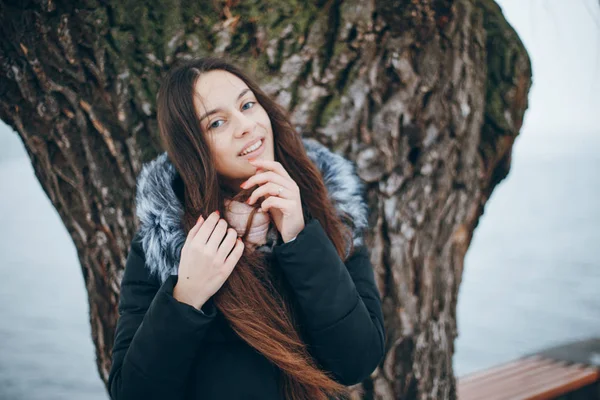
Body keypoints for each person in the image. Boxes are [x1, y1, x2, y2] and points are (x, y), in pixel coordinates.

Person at [107, 57, 385, 400]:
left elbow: (358, 360)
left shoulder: (331, 212)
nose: (245, 125)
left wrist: (300, 237)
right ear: (193, 149)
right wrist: (187, 297)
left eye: (248, 104)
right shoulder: (166, 246)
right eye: (217, 123)